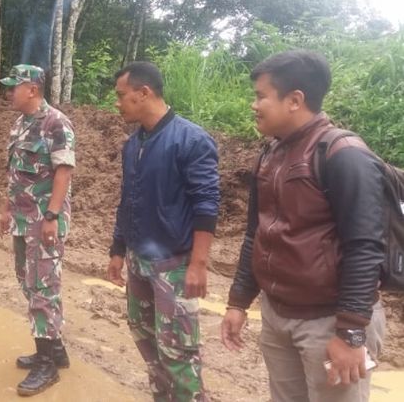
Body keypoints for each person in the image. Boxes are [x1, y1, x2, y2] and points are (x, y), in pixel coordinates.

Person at [221, 50, 386, 402]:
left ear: (295, 99)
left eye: (261, 96)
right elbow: (256, 233)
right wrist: (238, 302)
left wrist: (352, 333)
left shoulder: (343, 154)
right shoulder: (270, 154)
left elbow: (366, 247)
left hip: (328, 323)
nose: (254, 105)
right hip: (277, 314)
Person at [107, 61, 220, 401]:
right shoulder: (133, 144)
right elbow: (128, 198)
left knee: (179, 351)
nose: (117, 103)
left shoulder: (191, 140)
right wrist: (117, 249)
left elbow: (206, 205)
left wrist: (198, 264)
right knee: (144, 336)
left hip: (174, 265)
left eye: (122, 95)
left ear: (144, 93)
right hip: (138, 260)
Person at [0, 64, 75, 397]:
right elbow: (15, 173)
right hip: (21, 219)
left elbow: (63, 171)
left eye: (14, 86)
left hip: (44, 220)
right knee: (27, 282)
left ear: (32, 89)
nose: (8, 92)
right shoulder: (20, 124)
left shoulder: (55, 123)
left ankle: (47, 366)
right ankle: (54, 350)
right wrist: (5, 209)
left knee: (43, 288)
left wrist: (52, 216)